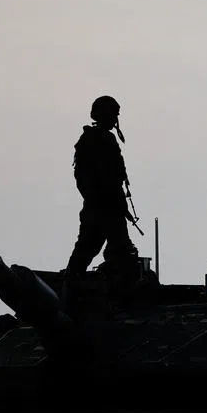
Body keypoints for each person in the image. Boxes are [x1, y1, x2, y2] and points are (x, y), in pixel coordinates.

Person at [64, 95, 140, 278]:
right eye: (113, 114)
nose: (115, 119)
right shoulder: (94, 141)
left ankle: (72, 282)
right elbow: (90, 179)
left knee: (98, 248)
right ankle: (71, 283)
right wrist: (103, 201)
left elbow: (113, 180)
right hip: (103, 208)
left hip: (106, 207)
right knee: (97, 248)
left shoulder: (101, 139)